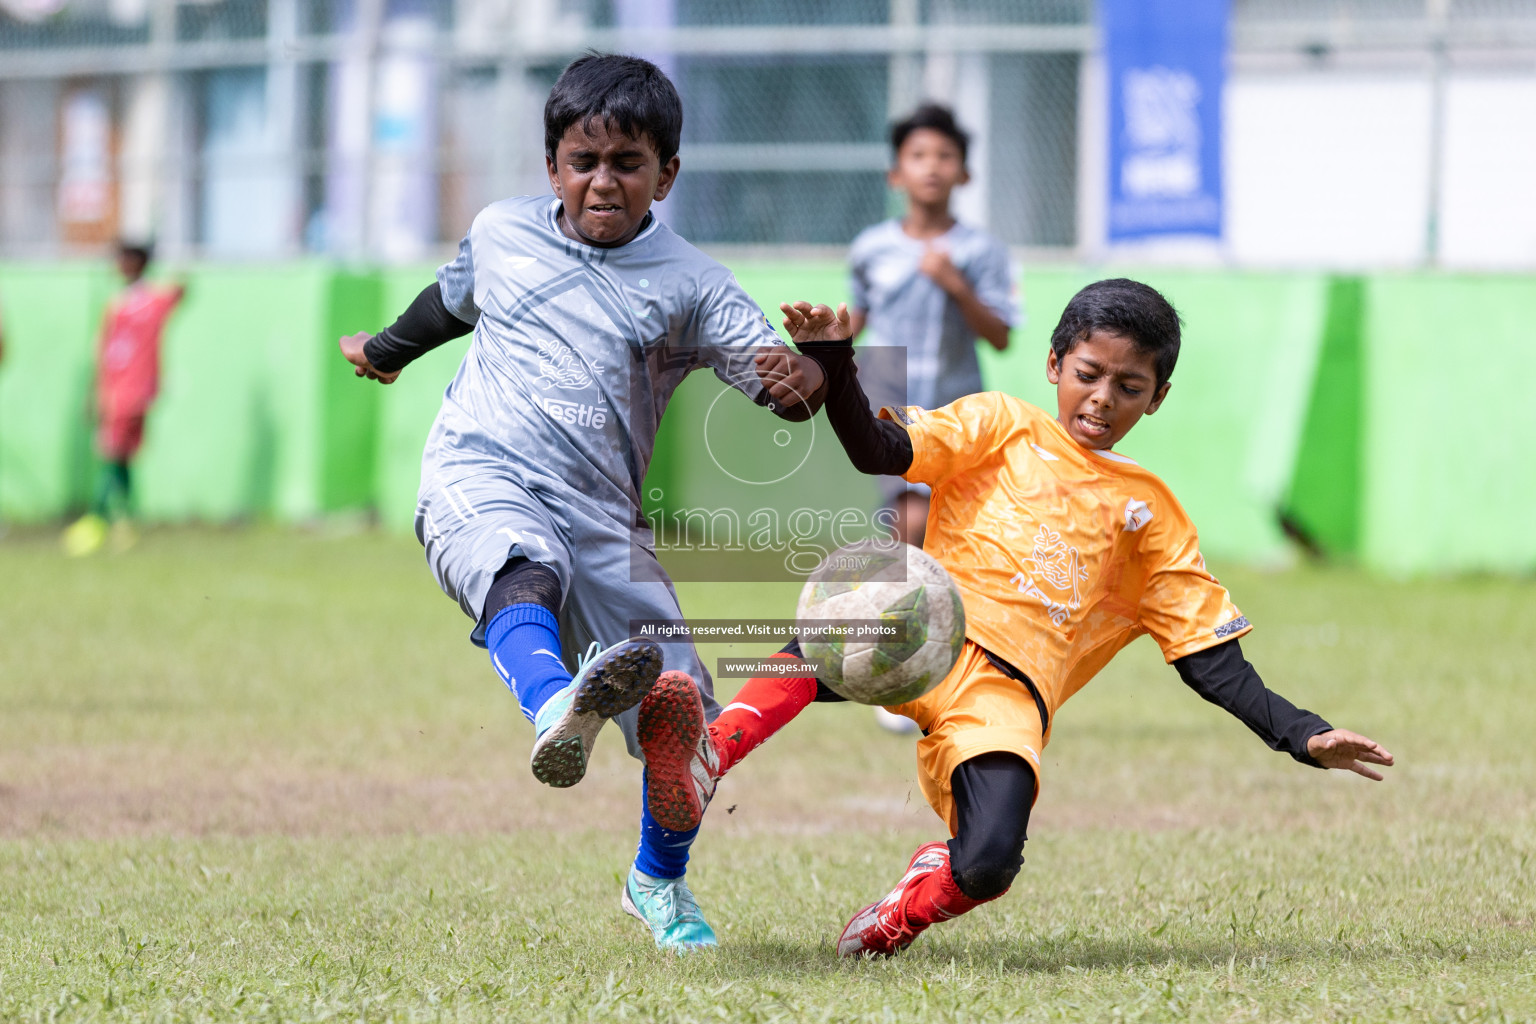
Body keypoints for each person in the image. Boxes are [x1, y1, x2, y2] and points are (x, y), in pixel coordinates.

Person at [699, 281, 1394, 957]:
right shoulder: (1001, 424)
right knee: (850, 616)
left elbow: (1208, 660)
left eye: (1130, 387)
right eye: (1089, 374)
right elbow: (877, 452)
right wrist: (837, 361)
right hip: (925, 628)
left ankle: (900, 911)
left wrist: (1302, 735)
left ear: (1158, 399)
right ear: (1055, 364)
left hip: (1004, 695)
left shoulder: (1150, 514)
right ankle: (708, 752)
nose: (1102, 398)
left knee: (989, 866)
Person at [336, 54, 827, 951]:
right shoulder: (500, 233)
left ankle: (658, 882)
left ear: (665, 175)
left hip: (605, 516)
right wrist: (384, 349)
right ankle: (556, 705)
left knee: (683, 719)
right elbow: (450, 306)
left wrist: (810, 371)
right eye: (583, 160)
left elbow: (780, 389)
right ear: (552, 165)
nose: (603, 181)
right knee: (522, 567)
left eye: (628, 163)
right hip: (480, 470)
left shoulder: (694, 282)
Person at [848, 104, 1018, 735]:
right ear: (897, 173)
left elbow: (999, 335)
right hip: (891, 413)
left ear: (964, 174)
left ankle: (944, 671)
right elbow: (857, 323)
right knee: (905, 538)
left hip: (958, 417)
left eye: (945, 156)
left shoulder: (979, 251)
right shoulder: (872, 248)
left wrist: (955, 285)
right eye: (919, 156)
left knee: (951, 546)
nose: (932, 168)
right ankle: (900, 676)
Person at [62, 241, 184, 557]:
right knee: (122, 455)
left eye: (124, 259)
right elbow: (103, 351)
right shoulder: (116, 304)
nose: (118, 265)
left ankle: (97, 518)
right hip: (114, 389)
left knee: (114, 452)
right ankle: (126, 520)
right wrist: (95, 392)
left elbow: (180, 290)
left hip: (133, 390)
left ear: (137, 263)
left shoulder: (151, 300)